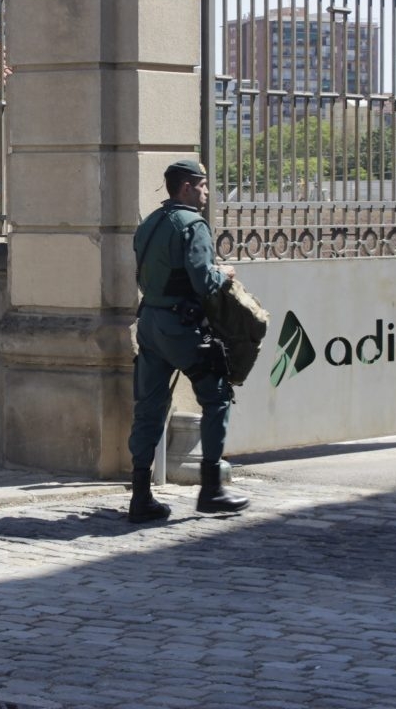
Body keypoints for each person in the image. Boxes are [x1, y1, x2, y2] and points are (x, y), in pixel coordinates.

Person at [128, 159, 251, 523]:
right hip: (181, 328)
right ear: (186, 187)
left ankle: (140, 496)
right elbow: (203, 282)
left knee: (149, 406)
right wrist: (223, 272)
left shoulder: (150, 223)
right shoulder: (192, 225)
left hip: (150, 321)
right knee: (217, 398)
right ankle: (211, 490)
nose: (207, 192)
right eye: (203, 186)